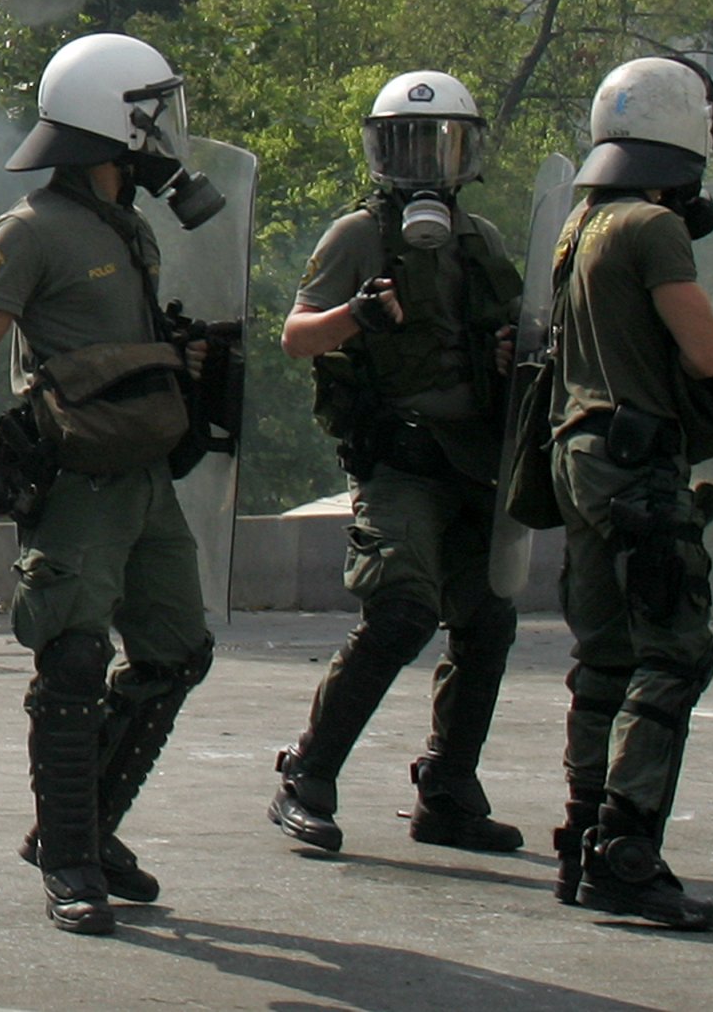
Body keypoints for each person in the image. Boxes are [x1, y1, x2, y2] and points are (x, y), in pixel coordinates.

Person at [0, 32, 222, 936]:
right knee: (70, 659)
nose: (163, 134)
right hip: (77, 482)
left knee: (178, 650)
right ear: (114, 123)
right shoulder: (31, 229)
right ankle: (69, 860)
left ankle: (85, 828)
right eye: (151, 115)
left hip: (144, 476)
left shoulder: (129, 227)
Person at [268, 71, 525, 857]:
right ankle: (307, 775)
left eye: (439, 144)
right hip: (399, 461)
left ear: (466, 154)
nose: (423, 164)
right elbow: (297, 335)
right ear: (381, 154)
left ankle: (448, 787)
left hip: (472, 459)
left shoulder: (479, 243)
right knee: (402, 610)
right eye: (407, 144)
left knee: (487, 619)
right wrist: (359, 314)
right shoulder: (357, 238)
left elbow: (525, 334)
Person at [547, 56, 713, 931]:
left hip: (577, 455)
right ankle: (626, 848)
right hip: (636, 465)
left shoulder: (583, 223)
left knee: (603, 656)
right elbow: (704, 356)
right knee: (673, 651)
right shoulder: (654, 228)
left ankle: (580, 835)